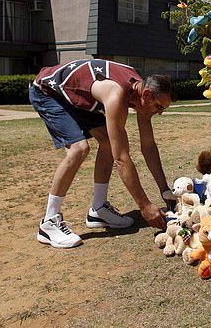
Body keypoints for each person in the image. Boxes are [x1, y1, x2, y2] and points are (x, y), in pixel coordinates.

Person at [29, 58, 174, 248]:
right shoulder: (117, 96)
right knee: (79, 149)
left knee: (106, 141)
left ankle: (98, 209)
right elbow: (121, 159)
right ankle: (49, 222)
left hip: (75, 96)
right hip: (48, 92)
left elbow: (148, 146)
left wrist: (165, 191)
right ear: (146, 94)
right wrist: (144, 206)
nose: (160, 113)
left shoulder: (140, 94)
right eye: (159, 107)